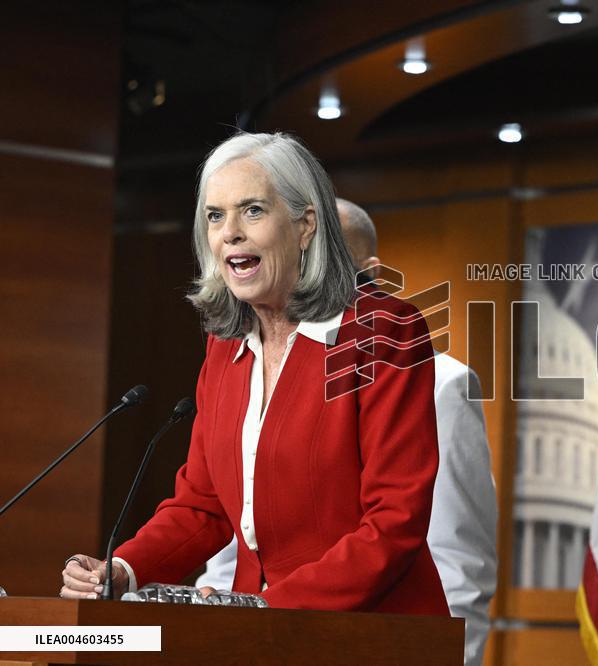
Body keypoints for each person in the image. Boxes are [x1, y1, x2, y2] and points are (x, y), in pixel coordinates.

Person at [60, 132, 448, 615]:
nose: (230, 233)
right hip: (256, 632)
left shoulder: (382, 331)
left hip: (370, 632)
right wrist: (122, 569)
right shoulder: (225, 347)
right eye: (215, 216)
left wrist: (267, 607)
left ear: (306, 224)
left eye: (253, 211)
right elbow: (203, 505)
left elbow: (395, 520)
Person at [197, 198, 498, 665]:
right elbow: (236, 532)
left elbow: (459, 562)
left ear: (369, 270)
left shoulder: (438, 381)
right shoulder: (254, 362)